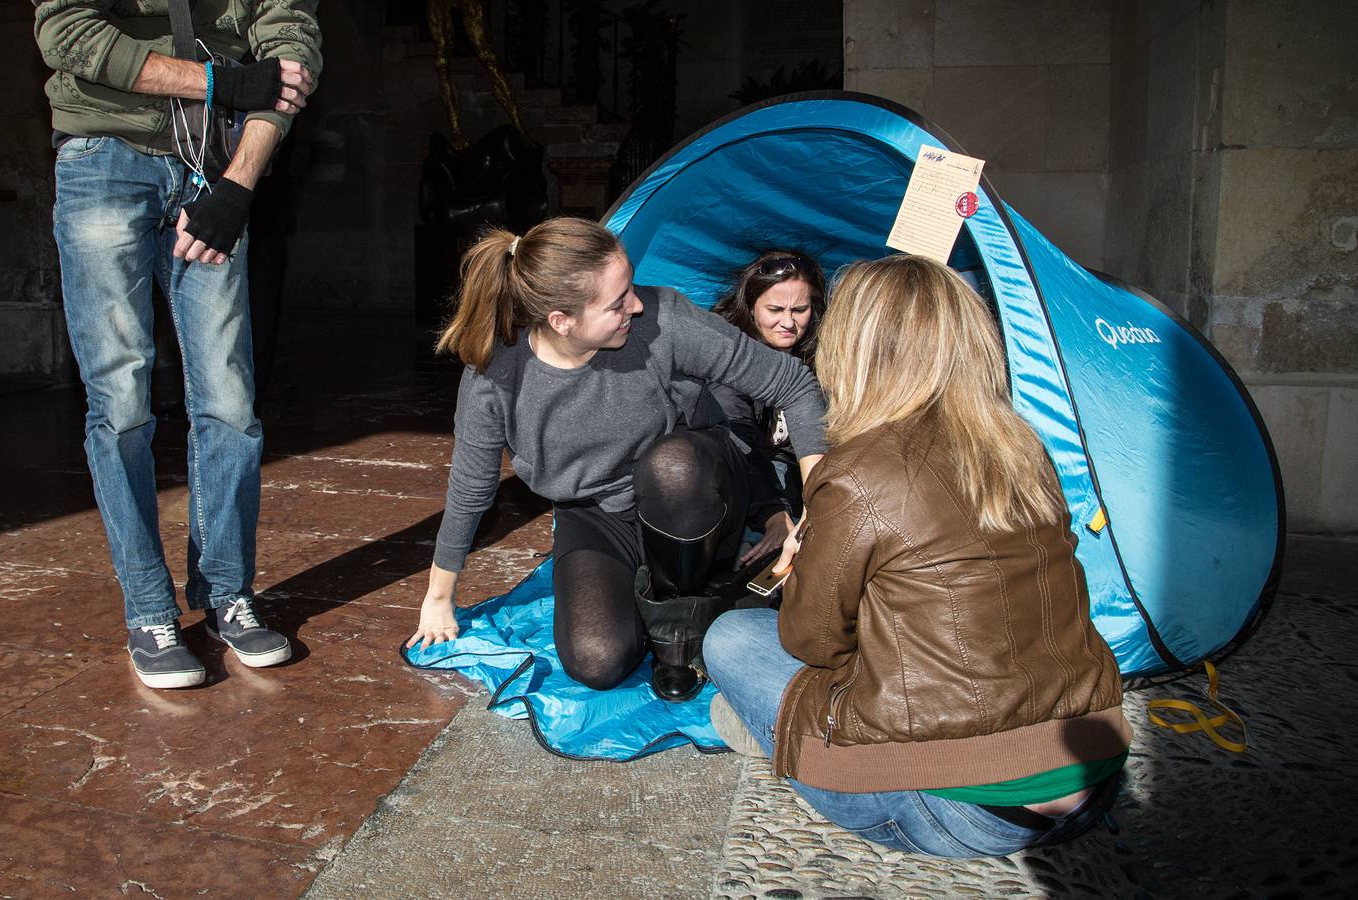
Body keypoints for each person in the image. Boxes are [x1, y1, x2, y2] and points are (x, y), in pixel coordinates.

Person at [703, 254, 1131, 858]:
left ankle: (769, 732)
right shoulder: (1022, 446)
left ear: (855, 350)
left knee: (731, 637)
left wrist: (804, 561)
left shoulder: (857, 472)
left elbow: (813, 642)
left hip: (965, 811)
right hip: (1094, 773)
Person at [406, 217, 827, 702]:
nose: (637, 304)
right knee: (597, 661)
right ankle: (701, 597)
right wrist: (439, 598)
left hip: (696, 495)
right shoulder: (496, 377)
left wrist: (816, 508)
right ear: (561, 320)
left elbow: (793, 384)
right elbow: (470, 490)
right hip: (598, 515)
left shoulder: (663, 320)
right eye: (617, 301)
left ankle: (679, 629)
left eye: (630, 287)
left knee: (673, 465)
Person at [32, 0, 322, 689]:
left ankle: (226, 594)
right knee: (121, 395)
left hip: (213, 164)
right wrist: (219, 83)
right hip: (104, 157)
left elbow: (290, 49)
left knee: (229, 399)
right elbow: (66, 34)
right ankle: (148, 609)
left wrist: (238, 186)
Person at [709, 251, 828, 569]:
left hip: (795, 473)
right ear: (749, 308)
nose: (788, 322)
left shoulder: (822, 352)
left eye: (800, 309)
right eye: (775, 309)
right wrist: (775, 516)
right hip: (739, 473)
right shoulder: (728, 355)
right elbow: (739, 440)